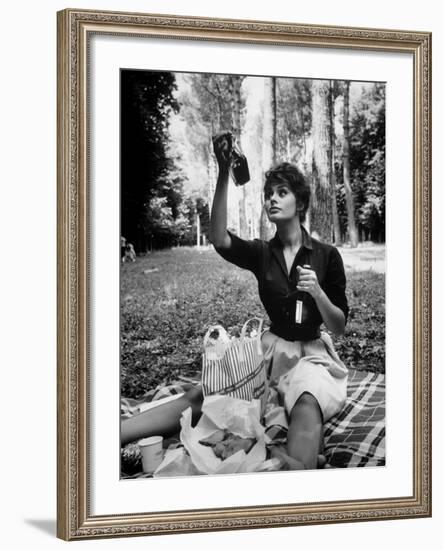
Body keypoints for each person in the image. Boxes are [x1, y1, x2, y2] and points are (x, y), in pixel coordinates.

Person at [121, 134, 349, 470]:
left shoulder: (327, 256)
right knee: (205, 395)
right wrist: (223, 170)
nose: (272, 199)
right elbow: (219, 237)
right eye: (268, 193)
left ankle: (296, 471)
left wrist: (317, 292)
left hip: (311, 353)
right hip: (269, 350)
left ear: (300, 203)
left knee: (306, 398)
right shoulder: (261, 253)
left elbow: (339, 325)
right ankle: (111, 433)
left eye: (281, 193)